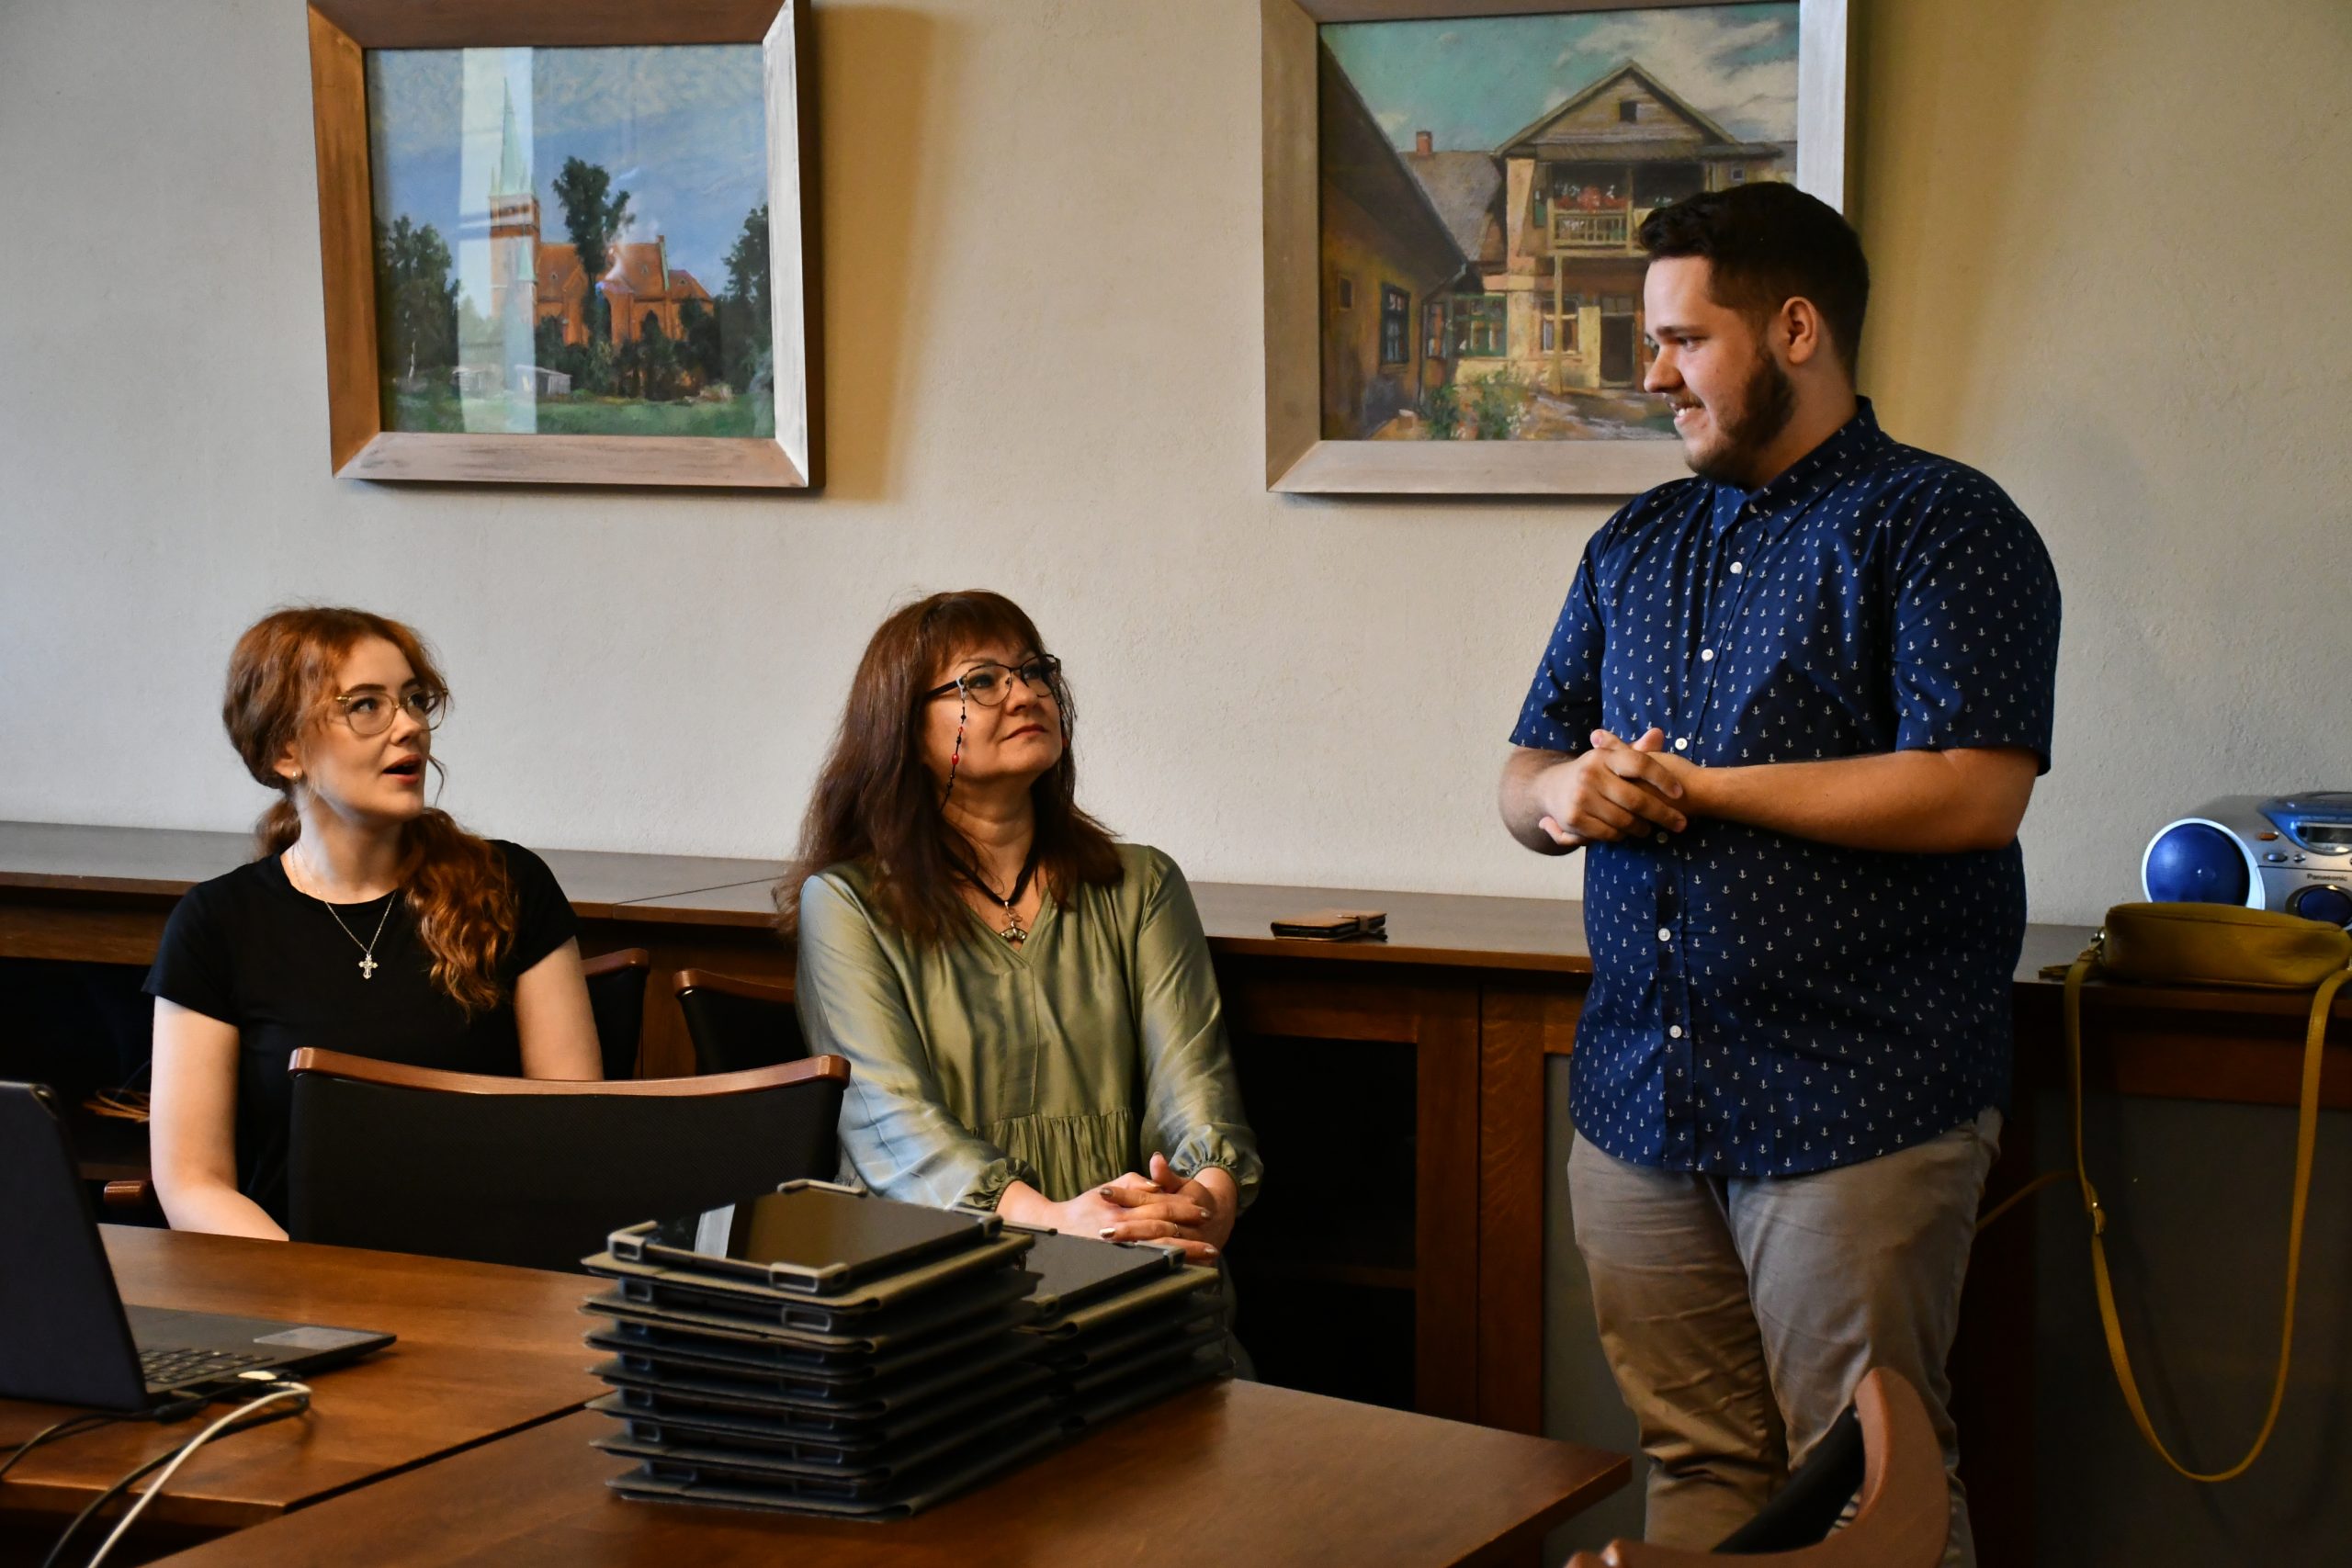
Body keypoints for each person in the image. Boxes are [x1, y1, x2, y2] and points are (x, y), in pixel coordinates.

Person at [1496, 183, 2060, 1567]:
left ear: (1795, 330)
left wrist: (1698, 789)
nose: (1653, 374)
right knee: (1697, 1465)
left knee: (1867, 1490)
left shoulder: (1942, 522)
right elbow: (1523, 772)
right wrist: (1563, 797)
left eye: (1683, 339)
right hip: (1638, 1100)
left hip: (1856, 1102)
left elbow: (1973, 789)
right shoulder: (1633, 543)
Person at [782, 591, 1261, 1264]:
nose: (1025, 694)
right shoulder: (846, 904)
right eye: (981, 681)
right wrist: (1052, 1220)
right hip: (941, 1270)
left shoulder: (1143, 884)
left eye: (1035, 671)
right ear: (905, 732)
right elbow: (892, 1125)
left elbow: (1197, 1090)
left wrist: (1206, 1201)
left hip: (1135, 1260)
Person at [146, 607, 600, 1239]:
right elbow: (192, 1182)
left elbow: (574, 1136)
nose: (409, 725)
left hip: (485, 1272)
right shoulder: (216, 923)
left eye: (413, 699)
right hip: (290, 1276)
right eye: (366, 705)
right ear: (285, 750)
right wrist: (306, 1280)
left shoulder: (510, 884)